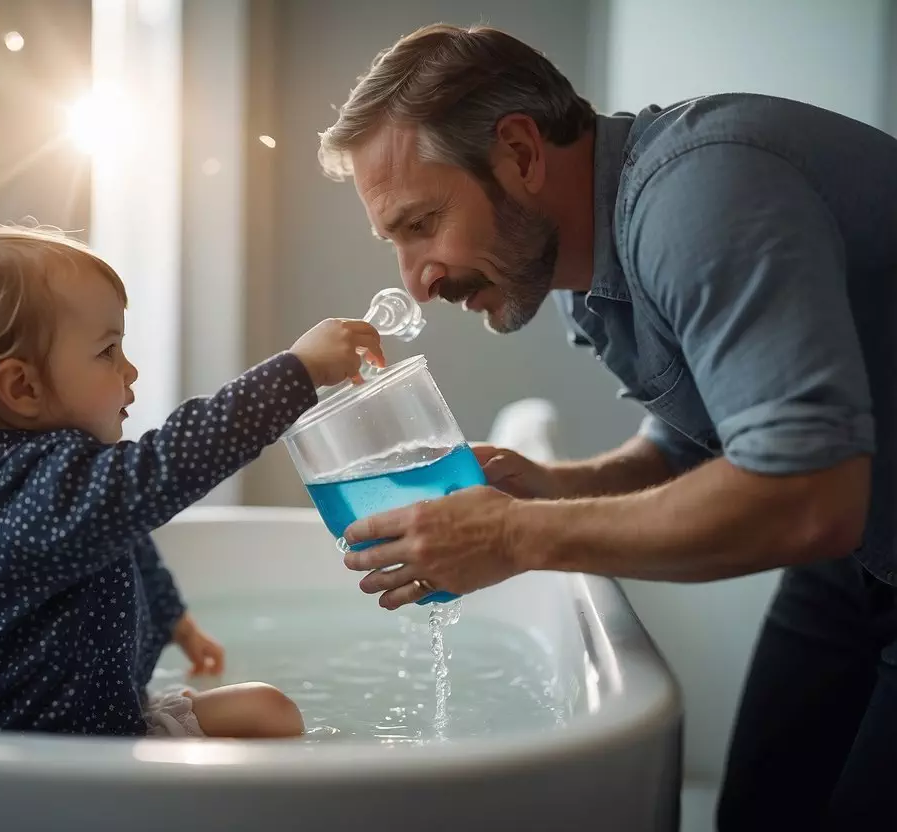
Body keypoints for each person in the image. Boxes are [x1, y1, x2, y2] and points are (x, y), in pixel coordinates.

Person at [317, 22, 897, 830]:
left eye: (420, 225)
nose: (417, 282)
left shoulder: (700, 198)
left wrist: (518, 535)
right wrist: (559, 485)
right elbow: (708, 434)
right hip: (860, 556)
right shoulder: (579, 279)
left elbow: (806, 492)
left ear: (520, 154)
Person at [0, 225, 384, 739]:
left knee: (267, 710)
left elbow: (124, 534)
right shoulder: (27, 492)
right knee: (270, 714)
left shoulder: (51, 483)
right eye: (107, 350)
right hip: (57, 763)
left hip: (94, 728)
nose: (129, 371)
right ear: (23, 386)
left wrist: (173, 619)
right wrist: (298, 371)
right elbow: (171, 464)